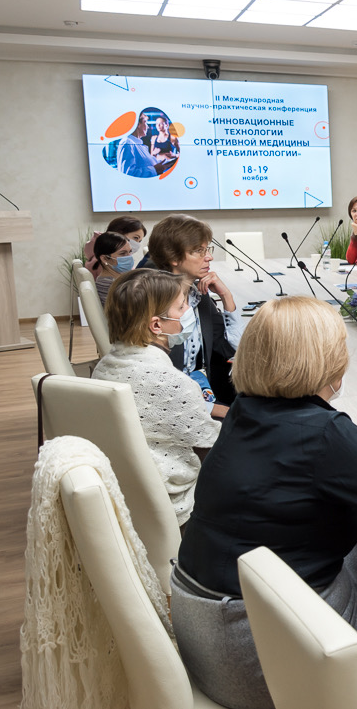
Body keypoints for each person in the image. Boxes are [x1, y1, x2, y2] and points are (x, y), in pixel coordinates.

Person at [171, 297, 357, 708]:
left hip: (204, 630)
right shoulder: (324, 431)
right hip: (262, 658)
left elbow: (299, 464)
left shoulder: (246, 409)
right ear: (329, 360)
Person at [93, 268, 219, 525]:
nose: (189, 311)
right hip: (177, 506)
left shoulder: (104, 366)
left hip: (123, 495)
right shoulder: (172, 383)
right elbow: (213, 452)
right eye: (181, 307)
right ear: (156, 325)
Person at [143, 214, 241, 407]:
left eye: (207, 249)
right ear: (173, 257)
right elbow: (158, 384)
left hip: (203, 395)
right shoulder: (154, 303)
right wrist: (217, 410)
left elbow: (232, 348)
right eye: (198, 251)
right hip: (173, 403)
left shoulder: (198, 295)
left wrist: (226, 297)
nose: (209, 257)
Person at [88, 231, 133, 306]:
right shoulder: (111, 285)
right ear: (104, 258)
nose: (129, 257)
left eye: (130, 252)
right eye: (122, 253)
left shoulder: (112, 280)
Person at [118, 110, 160, 179]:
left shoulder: (137, 144)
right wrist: (154, 169)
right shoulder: (127, 143)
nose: (148, 127)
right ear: (137, 124)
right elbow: (128, 174)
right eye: (145, 122)